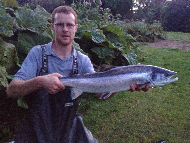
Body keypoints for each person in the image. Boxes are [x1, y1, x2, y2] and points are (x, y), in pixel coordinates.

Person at [6, 5, 149, 143]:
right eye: (60, 24)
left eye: (69, 25)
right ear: (52, 27)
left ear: (76, 28)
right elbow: (11, 90)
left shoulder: (82, 60)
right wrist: (41, 81)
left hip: (68, 126)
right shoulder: (38, 53)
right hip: (36, 127)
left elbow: (100, 92)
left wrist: (124, 82)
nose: (65, 29)